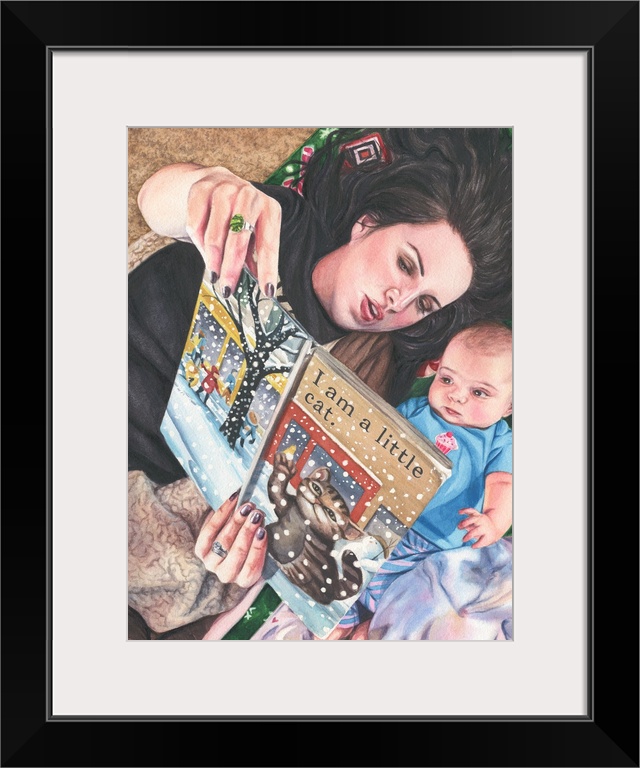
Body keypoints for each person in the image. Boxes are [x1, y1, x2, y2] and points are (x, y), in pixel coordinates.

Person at [128, 128, 512, 638]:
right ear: (366, 224)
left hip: (161, 489)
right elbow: (159, 200)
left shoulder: (382, 379)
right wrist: (207, 189)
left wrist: (247, 559)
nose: (399, 300)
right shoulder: (282, 228)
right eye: (405, 264)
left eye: (424, 303)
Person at [331, 320, 513, 639]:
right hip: (384, 523)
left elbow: (503, 485)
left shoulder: (498, 440)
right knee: (344, 577)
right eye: (447, 379)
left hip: (437, 546)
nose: (456, 396)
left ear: (509, 406)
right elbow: (376, 443)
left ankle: (368, 627)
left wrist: (494, 522)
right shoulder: (414, 412)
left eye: (479, 392)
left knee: (398, 602)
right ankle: (340, 621)